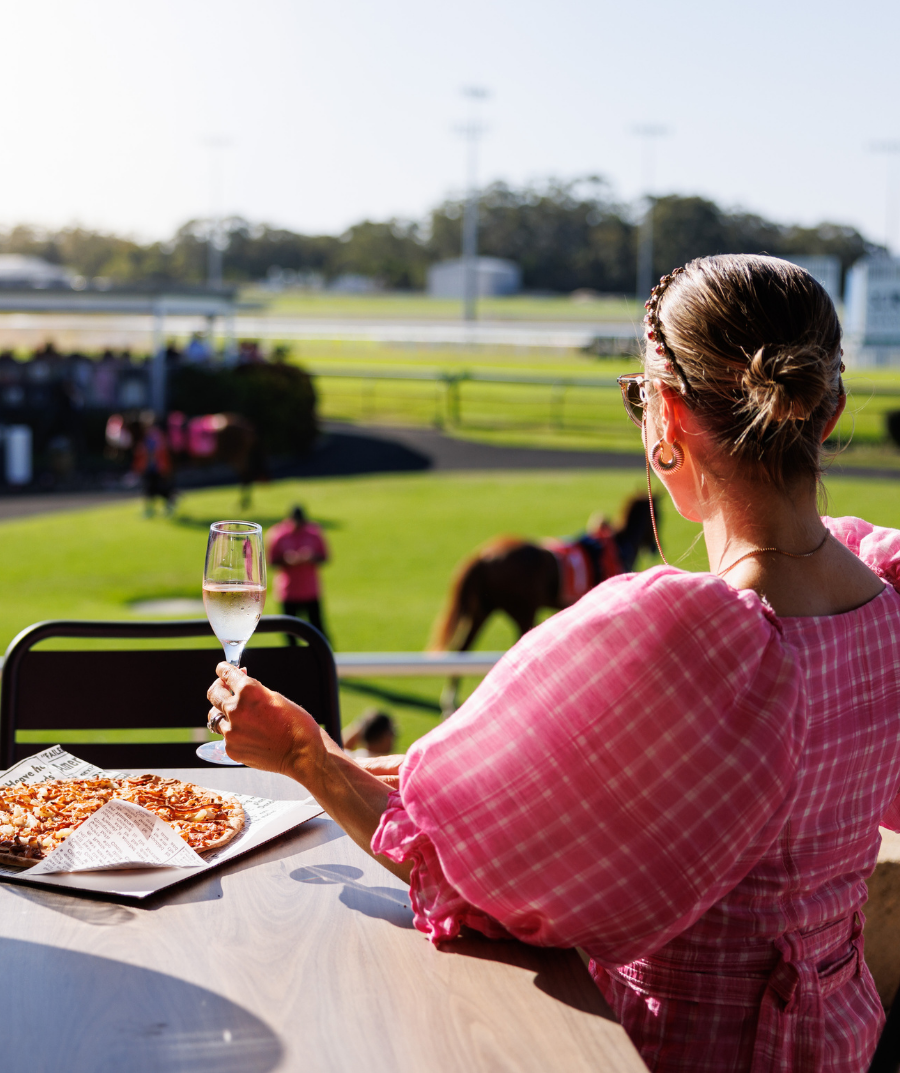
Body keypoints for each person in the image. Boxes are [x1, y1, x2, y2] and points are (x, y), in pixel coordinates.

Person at [207, 255, 900, 1072]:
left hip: (670, 1049)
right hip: (843, 1039)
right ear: (828, 415)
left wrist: (306, 756)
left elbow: (464, 870)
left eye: (640, 395)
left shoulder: (697, 638)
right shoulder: (883, 600)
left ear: (668, 414)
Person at [266, 505, 330, 640]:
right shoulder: (279, 534)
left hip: (310, 590)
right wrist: (287, 560)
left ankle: (322, 659)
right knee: (290, 633)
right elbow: (272, 561)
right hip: (289, 591)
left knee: (318, 630)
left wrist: (311, 557)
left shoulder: (314, 533)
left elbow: (324, 557)